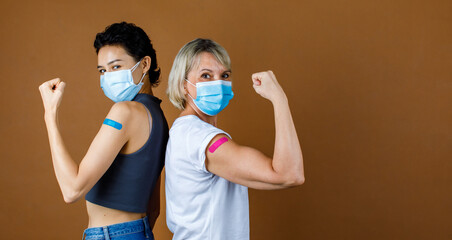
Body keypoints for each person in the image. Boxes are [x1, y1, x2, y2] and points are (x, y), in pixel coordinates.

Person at [38, 22, 168, 240]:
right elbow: (153, 207)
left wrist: (50, 115)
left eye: (116, 67)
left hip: (111, 235)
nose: (108, 76)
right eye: (102, 70)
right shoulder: (158, 116)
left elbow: (71, 190)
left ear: (145, 64)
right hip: (138, 231)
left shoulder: (124, 111)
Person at [165, 38, 305, 240]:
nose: (218, 83)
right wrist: (279, 99)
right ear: (183, 85)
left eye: (224, 75)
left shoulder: (186, 131)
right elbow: (290, 174)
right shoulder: (200, 138)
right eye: (206, 75)